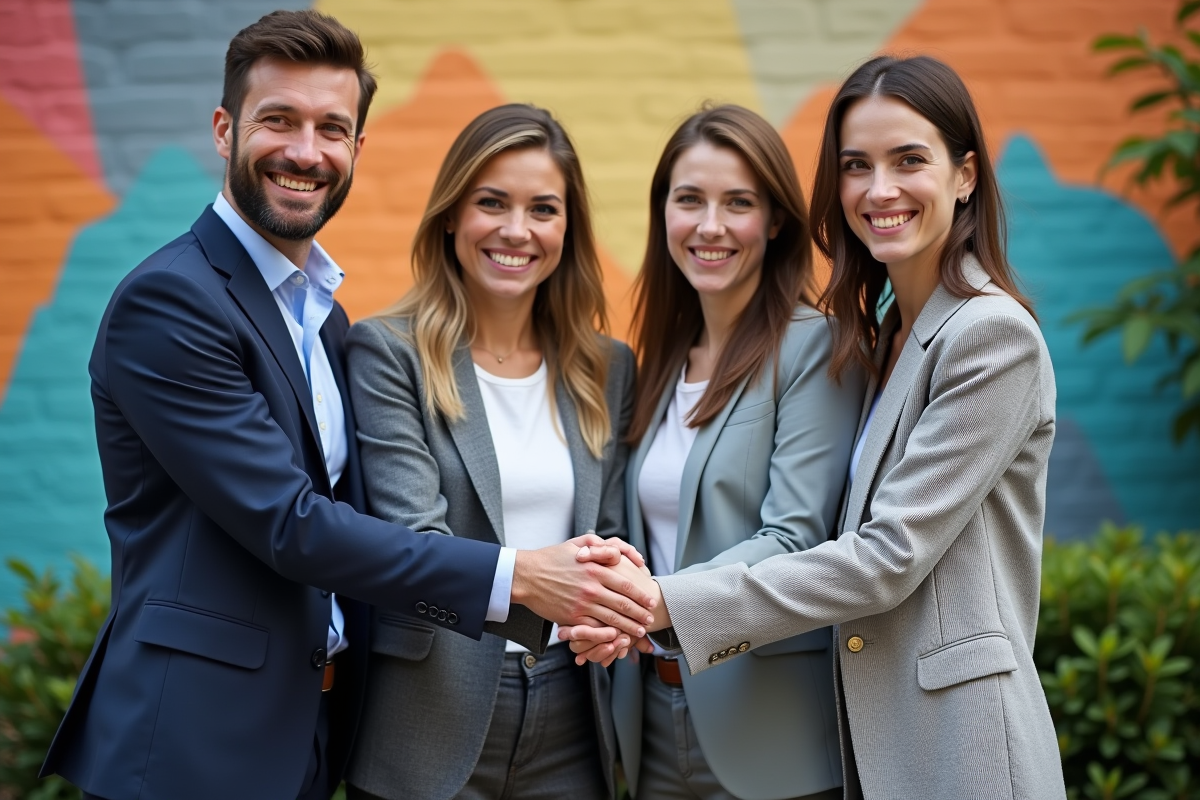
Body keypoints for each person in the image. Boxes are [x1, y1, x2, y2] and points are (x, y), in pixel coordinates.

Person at [39, 12, 654, 800]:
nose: (305, 151)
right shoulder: (172, 301)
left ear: (358, 148)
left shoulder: (323, 317)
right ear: (225, 129)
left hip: (309, 726)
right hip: (194, 738)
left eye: (332, 127)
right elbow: (291, 524)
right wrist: (523, 577)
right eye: (279, 121)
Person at [567, 56, 1067, 800]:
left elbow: (886, 556)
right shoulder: (890, 334)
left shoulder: (990, 337)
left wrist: (664, 600)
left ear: (965, 176)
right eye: (856, 165)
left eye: (909, 160)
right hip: (869, 725)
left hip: (955, 740)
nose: (879, 189)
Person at [340, 103, 634, 800]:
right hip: (429, 711)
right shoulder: (389, 352)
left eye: (543, 209)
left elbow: (611, 529)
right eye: (492, 203)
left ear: (568, 227)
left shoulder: (606, 366)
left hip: (575, 708)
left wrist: (615, 599)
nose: (516, 230)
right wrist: (544, 591)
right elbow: (411, 540)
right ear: (450, 215)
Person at [606, 104, 862, 800]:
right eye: (689, 200)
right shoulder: (659, 362)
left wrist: (655, 601)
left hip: (769, 732)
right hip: (652, 721)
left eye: (738, 203)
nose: (710, 226)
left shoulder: (814, 348)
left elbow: (794, 536)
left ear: (775, 220)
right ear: (664, 213)